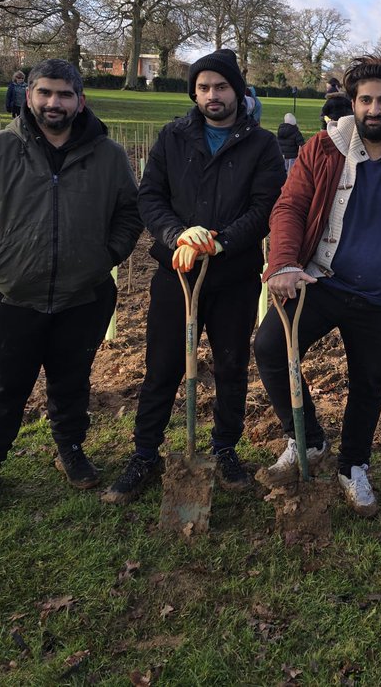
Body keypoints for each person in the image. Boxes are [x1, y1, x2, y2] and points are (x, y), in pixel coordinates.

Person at [253, 56, 381, 517]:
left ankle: (354, 466)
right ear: (353, 104)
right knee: (270, 345)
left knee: (368, 384)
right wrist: (284, 263)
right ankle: (307, 440)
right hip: (321, 280)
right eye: (365, 100)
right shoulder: (323, 149)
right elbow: (289, 207)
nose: (374, 109)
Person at [0, 59, 143, 515]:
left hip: (83, 295)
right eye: (45, 93)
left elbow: (130, 210)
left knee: (72, 382)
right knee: (1, 387)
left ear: (80, 102)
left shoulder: (108, 156)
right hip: (11, 295)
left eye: (65, 95)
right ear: (28, 96)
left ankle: (70, 449)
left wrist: (107, 256)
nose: (55, 103)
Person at [102, 48, 285, 503]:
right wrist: (177, 235)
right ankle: (145, 453)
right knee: (162, 366)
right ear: (194, 93)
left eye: (220, 87)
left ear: (238, 91)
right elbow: (150, 197)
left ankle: (225, 450)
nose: (212, 95)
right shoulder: (173, 137)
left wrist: (221, 242)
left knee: (229, 366)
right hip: (177, 273)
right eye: (203, 88)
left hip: (234, 275)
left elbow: (265, 208)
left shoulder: (261, 145)